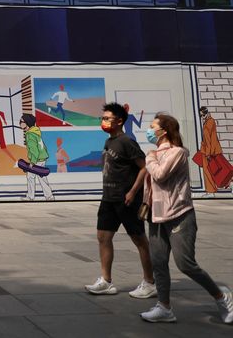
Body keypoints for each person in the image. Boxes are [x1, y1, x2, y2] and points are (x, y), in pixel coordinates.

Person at [139, 113, 233, 324]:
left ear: (163, 131)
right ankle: (164, 307)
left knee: (185, 264)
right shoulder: (155, 153)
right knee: (159, 263)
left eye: (152, 126)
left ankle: (222, 297)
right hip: (156, 216)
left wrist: (150, 156)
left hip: (179, 215)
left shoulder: (177, 153)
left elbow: (160, 174)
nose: (149, 130)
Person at [85, 102, 156, 299]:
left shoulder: (127, 142)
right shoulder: (109, 142)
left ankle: (150, 282)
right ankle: (106, 281)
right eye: (103, 118)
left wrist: (133, 192)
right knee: (103, 237)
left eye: (107, 118)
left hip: (126, 199)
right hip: (108, 198)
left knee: (139, 240)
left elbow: (144, 167)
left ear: (119, 121)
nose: (104, 121)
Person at [19, 114, 54, 201]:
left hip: (37, 159)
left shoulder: (30, 135)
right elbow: (41, 147)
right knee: (37, 176)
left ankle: (34, 197)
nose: (20, 123)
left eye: (21, 121)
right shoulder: (35, 132)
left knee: (34, 177)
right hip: (41, 158)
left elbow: (34, 150)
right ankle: (46, 196)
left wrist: (32, 162)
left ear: (27, 123)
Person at [198, 106, 223, 196]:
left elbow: (208, 140)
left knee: (208, 171)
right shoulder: (211, 121)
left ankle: (211, 190)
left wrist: (207, 154)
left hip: (209, 151)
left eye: (203, 115)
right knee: (217, 169)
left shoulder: (208, 124)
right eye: (201, 116)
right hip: (213, 150)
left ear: (206, 114)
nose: (202, 117)